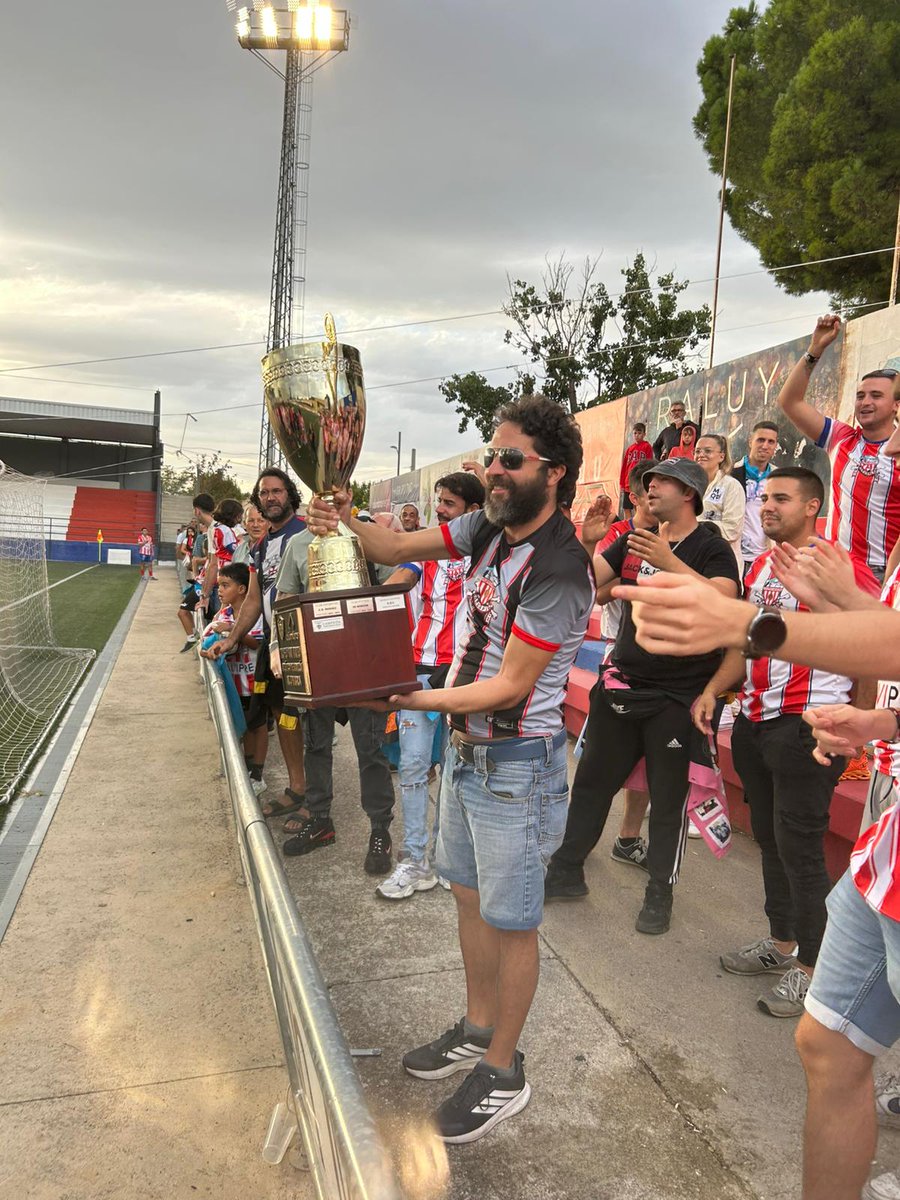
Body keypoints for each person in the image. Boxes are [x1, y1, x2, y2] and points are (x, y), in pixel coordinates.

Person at [307, 394, 595, 1144]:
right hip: (471, 759)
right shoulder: (487, 526)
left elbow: (509, 687)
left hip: (516, 767)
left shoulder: (561, 565)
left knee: (514, 922)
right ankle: (477, 1026)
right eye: (489, 456)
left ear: (554, 473)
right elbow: (395, 551)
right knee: (468, 902)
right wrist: (340, 518)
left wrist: (413, 696)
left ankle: (504, 1071)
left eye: (509, 460)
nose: (492, 470)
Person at [693, 469, 876, 1019]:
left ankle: (815, 972)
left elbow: (870, 644)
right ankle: (781, 944)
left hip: (808, 726)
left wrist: (860, 723)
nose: (767, 507)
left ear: (813, 505)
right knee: (773, 841)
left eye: (781, 499)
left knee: (799, 847)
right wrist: (714, 688)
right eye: (764, 498)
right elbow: (745, 644)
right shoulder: (761, 563)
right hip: (755, 720)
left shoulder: (836, 567)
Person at [544, 457, 740, 934]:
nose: (649, 488)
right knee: (591, 783)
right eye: (647, 482)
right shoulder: (634, 540)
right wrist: (589, 542)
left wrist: (668, 562)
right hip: (623, 684)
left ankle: (659, 893)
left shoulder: (711, 547)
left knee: (668, 801)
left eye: (661, 482)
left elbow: (724, 604)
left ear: (689, 493)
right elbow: (586, 583)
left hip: (678, 698)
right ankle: (567, 869)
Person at [376, 471, 485, 901]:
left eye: (450, 504)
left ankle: (442, 859)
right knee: (416, 767)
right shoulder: (425, 549)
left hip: (467, 678)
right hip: (420, 672)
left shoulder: (490, 551)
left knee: (455, 771)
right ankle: (415, 860)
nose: (439, 509)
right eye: (438, 501)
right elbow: (396, 583)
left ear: (473, 512)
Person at [270, 522, 399, 876]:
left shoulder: (365, 535)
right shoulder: (299, 543)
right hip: (318, 661)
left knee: (370, 749)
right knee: (316, 744)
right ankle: (320, 818)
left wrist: (367, 613)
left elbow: (403, 574)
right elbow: (284, 599)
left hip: (364, 659)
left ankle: (379, 830)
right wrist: (278, 646)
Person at [210, 469, 308, 819]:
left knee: (307, 721)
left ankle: (315, 800)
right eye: (264, 492)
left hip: (302, 648)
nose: (271, 498)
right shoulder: (262, 544)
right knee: (280, 715)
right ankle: (298, 787)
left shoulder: (306, 535)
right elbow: (253, 599)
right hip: (270, 645)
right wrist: (233, 638)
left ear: (290, 495)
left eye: (277, 491)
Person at [576, 461, 659, 870]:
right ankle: (577, 844)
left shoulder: (678, 540)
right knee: (603, 762)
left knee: (642, 765)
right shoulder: (620, 536)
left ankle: (627, 838)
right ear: (636, 496)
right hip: (617, 651)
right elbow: (598, 592)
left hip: (653, 663)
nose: (658, 495)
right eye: (651, 488)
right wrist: (640, 582)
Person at [776, 314, 900, 583]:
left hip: (882, 574)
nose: (865, 402)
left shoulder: (898, 452)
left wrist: (891, 577)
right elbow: (790, 402)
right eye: (860, 395)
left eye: (876, 396)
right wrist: (815, 350)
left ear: (896, 406)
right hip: (835, 566)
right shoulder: (843, 437)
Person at [199, 562, 268, 796]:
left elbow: (257, 642)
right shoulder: (223, 613)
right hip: (234, 684)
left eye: (225, 585)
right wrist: (208, 651)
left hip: (255, 681)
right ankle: (247, 767)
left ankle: (257, 774)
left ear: (241, 589)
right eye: (218, 586)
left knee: (257, 727)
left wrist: (231, 631)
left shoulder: (255, 614)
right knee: (244, 727)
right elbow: (203, 643)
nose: (219, 591)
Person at [732, 421, 780, 577]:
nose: (765, 445)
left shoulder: (780, 478)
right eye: (760, 440)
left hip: (766, 558)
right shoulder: (730, 474)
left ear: (775, 446)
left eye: (771, 441)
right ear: (750, 441)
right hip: (734, 556)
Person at [695, 434, 746, 568]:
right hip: (694, 559)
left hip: (722, 562)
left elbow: (731, 530)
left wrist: (693, 528)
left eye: (708, 451)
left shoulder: (731, 486)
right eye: (697, 451)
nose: (701, 455)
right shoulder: (689, 486)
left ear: (721, 456)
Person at [200, 497, 243, 615]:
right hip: (229, 569)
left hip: (221, 568)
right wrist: (242, 544)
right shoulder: (226, 530)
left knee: (223, 607)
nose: (239, 519)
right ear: (232, 515)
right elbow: (232, 549)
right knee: (227, 608)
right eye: (238, 516)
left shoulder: (216, 528)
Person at [619, 423, 653, 516]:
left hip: (639, 482)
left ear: (644, 434)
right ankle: (629, 527)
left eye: (639, 433)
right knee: (626, 507)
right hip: (628, 483)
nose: (637, 435)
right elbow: (624, 466)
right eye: (635, 433)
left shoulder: (647, 446)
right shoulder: (630, 448)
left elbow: (649, 465)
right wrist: (622, 483)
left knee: (637, 506)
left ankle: (638, 527)